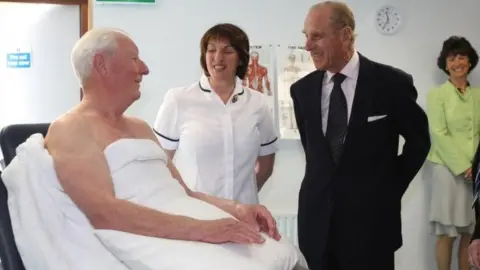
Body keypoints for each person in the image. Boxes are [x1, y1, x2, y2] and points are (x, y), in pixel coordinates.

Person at [44, 27, 281, 250]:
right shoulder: (70, 128)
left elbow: (184, 193)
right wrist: (205, 229)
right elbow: (104, 214)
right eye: (134, 58)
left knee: (276, 253)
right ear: (101, 65)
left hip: (186, 225)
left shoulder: (140, 128)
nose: (145, 68)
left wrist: (239, 209)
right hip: (149, 241)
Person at [290, 1, 431, 269]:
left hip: (372, 229)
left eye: (317, 36)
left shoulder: (391, 83)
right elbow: (315, 154)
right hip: (317, 228)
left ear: (345, 35)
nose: (307, 46)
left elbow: (419, 141)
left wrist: (388, 189)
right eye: (306, 36)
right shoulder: (302, 91)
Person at [153, 23, 278, 205]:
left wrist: (244, 198)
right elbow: (159, 163)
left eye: (228, 52)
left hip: (244, 215)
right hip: (196, 215)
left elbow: (266, 164)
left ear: (241, 59)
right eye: (211, 50)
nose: (218, 58)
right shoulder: (178, 99)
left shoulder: (257, 103)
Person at [426, 36, 479, 270]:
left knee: (470, 231)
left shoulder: (478, 96)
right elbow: (439, 133)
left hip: (476, 172)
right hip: (447, 170)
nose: (458, 62)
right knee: (446, 233)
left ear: (470, 62)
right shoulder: (437, 95)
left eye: (462, 57)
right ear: (445, 64)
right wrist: (463, 166)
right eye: (452, 58)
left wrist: (475, 167)